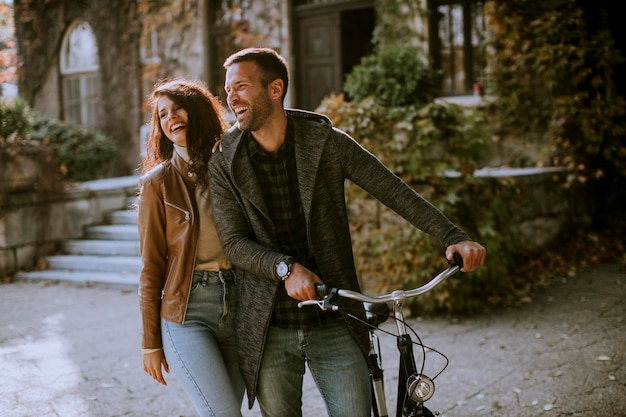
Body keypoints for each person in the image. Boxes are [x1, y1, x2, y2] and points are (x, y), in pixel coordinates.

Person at [208, 47, 487, 417]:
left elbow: (392, 189)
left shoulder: (324, 142)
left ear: (274, 89)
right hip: (268, 326)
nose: (231, 98)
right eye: (228, 90)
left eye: (241, 86)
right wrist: (285, 268)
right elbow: (234, 241)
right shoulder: (224, 159)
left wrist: (453, 235)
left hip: (336, 316)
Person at [137, 78, 245, 417]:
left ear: (197, 110)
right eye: (163, 115)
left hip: (240, 305)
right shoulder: (157, 184)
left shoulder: (232, 165)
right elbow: (151, 267)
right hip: (186, 311)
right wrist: (150, 342)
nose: (171, 118)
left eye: (177, 108)